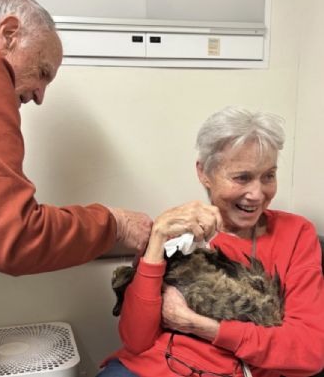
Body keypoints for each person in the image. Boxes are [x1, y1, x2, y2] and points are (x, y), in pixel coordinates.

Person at [97, 106, 324, 377]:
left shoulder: (295, 234)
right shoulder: (177, 230)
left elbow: (310, 353)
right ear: (204, 173)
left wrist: (199, 325)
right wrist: (156, 240)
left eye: (269, 176)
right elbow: (136, 340)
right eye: (242, 177)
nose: (257, 193)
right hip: (150, 367)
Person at [0, 0, 153, 276]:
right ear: (8, 34)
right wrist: (116, 224)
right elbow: (14, 238)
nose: (39, 96)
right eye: (42, 72)